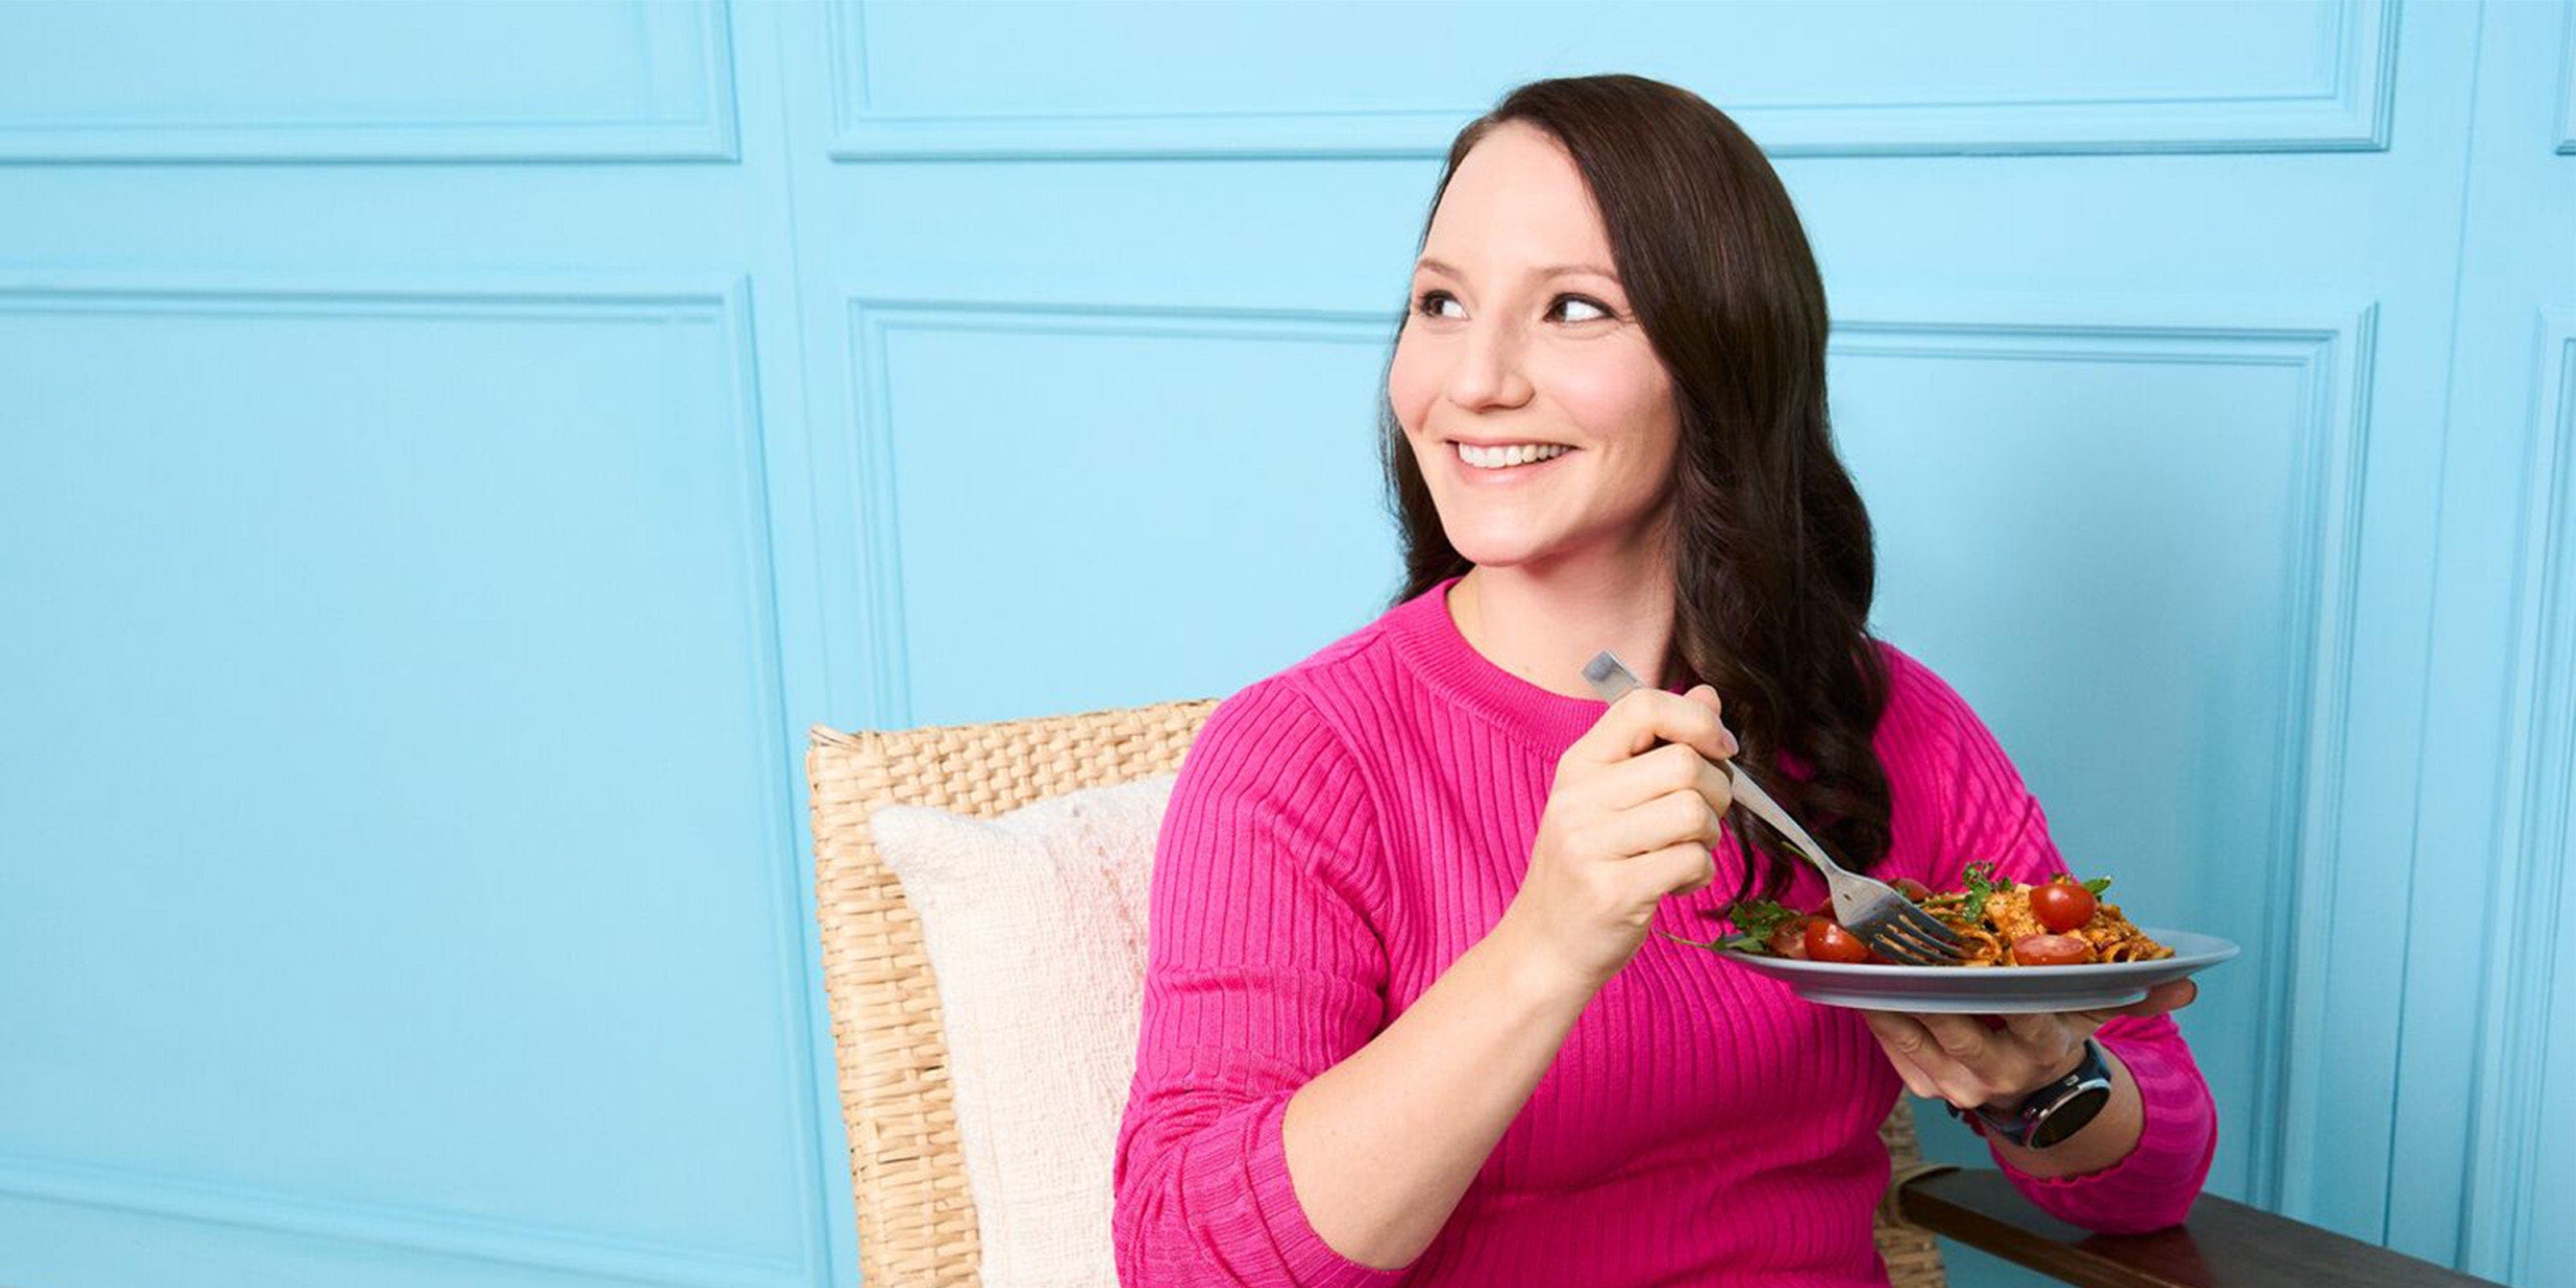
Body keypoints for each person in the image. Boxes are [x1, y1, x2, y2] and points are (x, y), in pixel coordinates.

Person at [1110, 72, 2215, 1287]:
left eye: (1574, 310)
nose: (1473, 380)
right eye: (1440, 303)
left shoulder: (1883, 722)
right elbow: (1186, 1258)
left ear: (1720, 358)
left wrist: (2044, 1080)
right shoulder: (1303, 758)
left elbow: (2156, 1166)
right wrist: (1543, 945)